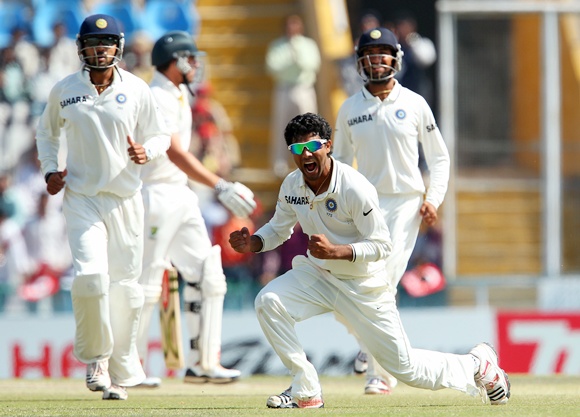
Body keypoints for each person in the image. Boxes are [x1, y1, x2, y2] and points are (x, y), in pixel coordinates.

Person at [228, 112, 509, 408]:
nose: (306, 154)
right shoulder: (292, 185)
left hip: (362, 284)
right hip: (318, 274)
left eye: (313, 146)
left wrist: (338, 251)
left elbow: (381, 244)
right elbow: (278, 229)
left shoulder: (354, 187)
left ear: (329, 145)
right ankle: (306, 389)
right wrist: (254, 243)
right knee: (268, 301)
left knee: (407, 368)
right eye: (298, 149)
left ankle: (478, 365)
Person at [35, 14, 171, 400]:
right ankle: (97, 359)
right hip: (81, 198)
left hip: (126, 199)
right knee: (91, 278)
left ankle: (122, 370)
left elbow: (161, 134)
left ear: (119, 46)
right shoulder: (65, 90)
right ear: (81, 48)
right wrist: (50, 172)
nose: (101, 49)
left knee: (126, 288)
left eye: (108, 42)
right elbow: (46, 133)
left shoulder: (137, 89)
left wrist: (148, 150)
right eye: (94, 43)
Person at [332, 27, 450, 395]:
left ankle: (379, 374)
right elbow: (337, 163)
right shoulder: (350, 108)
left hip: (405, 203)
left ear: (395, 59)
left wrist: (434, 197)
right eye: (371, 53)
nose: (378, 59)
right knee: (351, 286)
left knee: (381, 284)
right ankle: (370, 346)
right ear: (361, 61)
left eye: (384, 53)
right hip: (364, 206)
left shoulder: (414, 103)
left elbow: (439, 157)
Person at [135, 30, 257, 388]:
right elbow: (174, 151)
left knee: (209, 275)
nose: (196, 65)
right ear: (173, 63)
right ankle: (131, 366)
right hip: (155, 194)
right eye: (190, 59)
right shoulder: (157, 95)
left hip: (181, 194)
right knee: (146, 284)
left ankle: (204, 361)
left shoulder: (176, 94)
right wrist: (219, 184)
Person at [265, 14, 320, 178]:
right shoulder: (277, 45)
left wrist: (297, 57)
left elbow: (312, 65)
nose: (292, 28)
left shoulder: (308, 44)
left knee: (309, 128)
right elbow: (272, 66)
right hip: (284, 89)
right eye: (290, 24)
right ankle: (279, 164)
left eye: (295, 24)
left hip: (304, 88)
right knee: (282, 127)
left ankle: (311, 159)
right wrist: (292, 63)